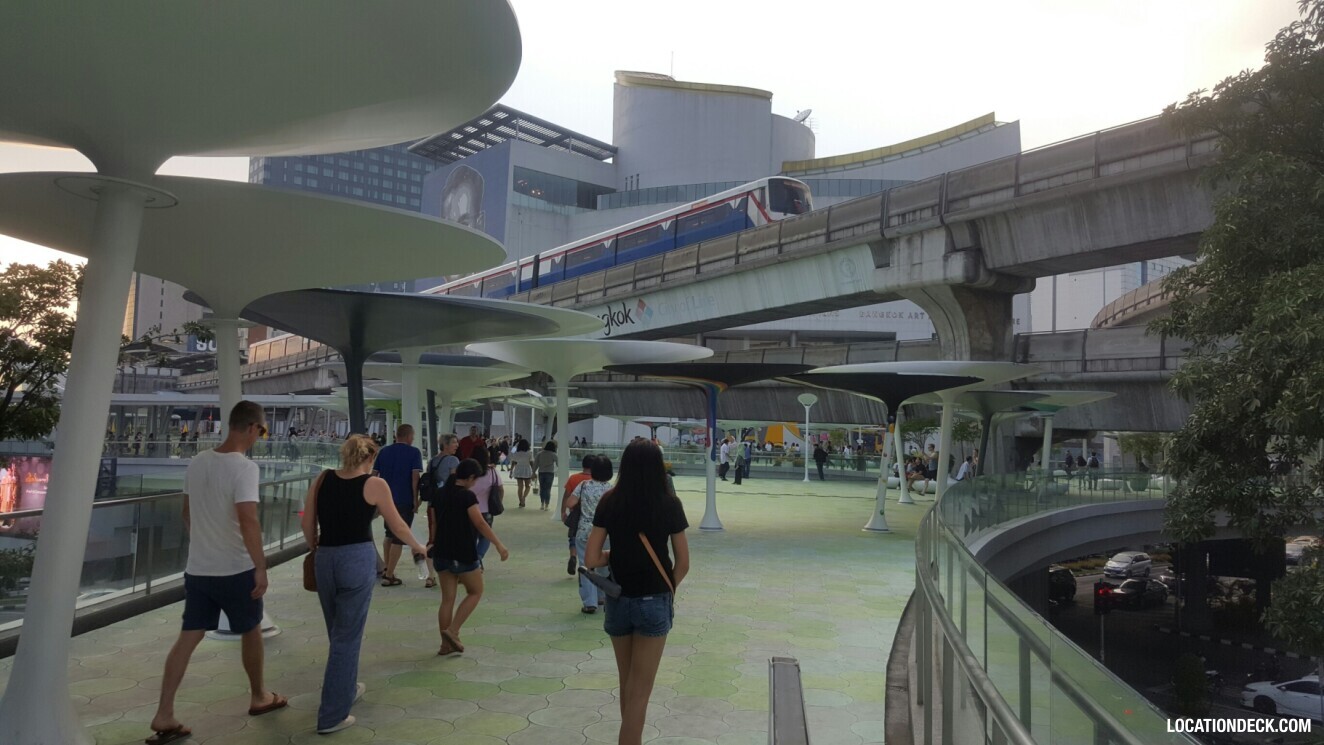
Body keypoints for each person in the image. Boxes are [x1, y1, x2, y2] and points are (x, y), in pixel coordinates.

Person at [147, 402, 285, 745]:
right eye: (263, 431)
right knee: (251, 629)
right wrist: (260, 566)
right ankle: (259, 696)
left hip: (199, 569)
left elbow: (186, 513)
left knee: (188, 636)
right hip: (235, 568)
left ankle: (164, 712)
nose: (260, 437)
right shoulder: (245, 468)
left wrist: (206, 542)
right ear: (252, 428)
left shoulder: (197, 462)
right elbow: (248, 519)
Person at [300, 434, 426, 735]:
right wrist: (417, 546)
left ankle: (347, 687)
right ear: (370, 459)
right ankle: (331, 715)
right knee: (348, 636)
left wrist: (314, 546)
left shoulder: (322, 479)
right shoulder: (375, 485)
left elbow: (307, 522)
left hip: (325, 558)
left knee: (338, 631)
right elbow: (398, 525)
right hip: (356, 559)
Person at [585, 441, 689, 745]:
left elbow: (591, 559)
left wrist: (611, 556)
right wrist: (667, 590)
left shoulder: (609, 501)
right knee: (641, 692)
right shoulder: (670, 503)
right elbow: (683, 563)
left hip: (618, 600)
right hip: (654, 600)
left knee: (628, 686)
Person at [428, 458, 509, 656]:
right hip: (462, 553)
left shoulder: (439, 494)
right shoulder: (467, 497)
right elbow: (481, 524)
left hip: (441, 552)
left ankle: (445, 646)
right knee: (475, 591)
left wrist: (431, 542)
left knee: (447, 599)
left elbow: (433, 523)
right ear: (470, 477)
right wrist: (499, 545)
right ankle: (453, 631)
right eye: (475, 479)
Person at [372, 424, 423, 587]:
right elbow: (415, 477)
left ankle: (388, 567)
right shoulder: (414, 452)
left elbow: (374, 475)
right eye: (412, 436)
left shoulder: (384, 451)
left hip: (385, 499)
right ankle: (388, 575)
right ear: (408, 436)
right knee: (399, 537)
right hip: (404, 499)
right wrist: (416, 499)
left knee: (389, 533)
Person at [565, 454, 613, 613]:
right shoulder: (612, 489)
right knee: (604, 565)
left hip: (585, 531)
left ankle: (589, 602)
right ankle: (602, 596)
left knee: (586, 566)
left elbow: (570, 502)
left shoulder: (584, 485)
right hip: (606, 532)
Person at [468, 447, 504, 564]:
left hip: (468, 510)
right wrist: (499, 501)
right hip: (486, 510)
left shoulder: (468, 472)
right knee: (485, 536)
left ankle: (472, 559)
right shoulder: (492, 472)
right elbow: (500, 489)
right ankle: (478, 557)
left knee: (470, 536)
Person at [563, 454, 596, 576]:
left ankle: (573, 555)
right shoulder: (595, 481)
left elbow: (566, 496)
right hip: (592, 517)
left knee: (573, 537)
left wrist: (563, 511)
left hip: (576, 514)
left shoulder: (574, 478)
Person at [509, 438, 534, 507]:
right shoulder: (530, 452)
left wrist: (511, 471)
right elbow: (531, 462)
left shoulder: (516, 452)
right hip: (526, 469)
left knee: (520, 487)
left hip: (518, 469)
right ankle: (523, 498)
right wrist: (534, 472)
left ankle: (521, 501)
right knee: (528, 486)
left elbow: (513, 462)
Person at [535, 440, 558, 510]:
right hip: (550, 473)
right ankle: (546, 505)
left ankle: (542, 504)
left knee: (542, 489)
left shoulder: (539, 454)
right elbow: (558, 463)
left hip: (541, 472)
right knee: (548, 489)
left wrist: (533, 472)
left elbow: (535, 464)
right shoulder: (553, 454)